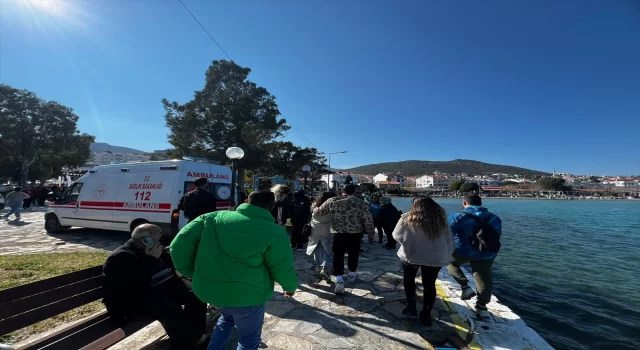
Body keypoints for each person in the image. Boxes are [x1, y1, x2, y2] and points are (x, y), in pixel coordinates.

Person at [170, 190, 298, 350]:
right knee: (249, 341)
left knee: (227, 318)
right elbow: (281, 265)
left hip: (213, 291)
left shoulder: (211, 218)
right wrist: (290, 286)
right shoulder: (275, 231)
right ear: (271, 207)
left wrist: (192, 273)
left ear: (246, 201)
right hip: (249, 296)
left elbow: (177, 247)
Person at [102, 224, 208, 349]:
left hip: (154, 295)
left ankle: (191, 338)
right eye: (158, 234)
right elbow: (134, 285)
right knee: (167, 305)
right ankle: (199, 340)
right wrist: (153, 259)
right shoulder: (120, 257)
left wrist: (166, 255)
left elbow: (166, 272)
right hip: (128, 303)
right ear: (145, 239)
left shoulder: (150, 250)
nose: (161, 237)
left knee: (197, 297)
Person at [393, 197, 454, 326]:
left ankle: (411, 307)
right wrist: (448, 253)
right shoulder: (441, 220)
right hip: (435, 257)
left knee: (409, 280)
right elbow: (449, 239)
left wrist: (407, 243)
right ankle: (426, 313)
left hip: (412, 255)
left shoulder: (407, 218)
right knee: (429, 284)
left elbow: (396, 235)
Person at [446, 194, 502, 319]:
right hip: (487, 253)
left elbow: (447, 236)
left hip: (463, 252)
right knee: (484, 277)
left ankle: (465, 287)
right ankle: (482, 307)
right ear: (480, 204)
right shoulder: (495, 218)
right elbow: (497, 236)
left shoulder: (457, 217)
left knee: (448, 262)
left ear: (464, 203)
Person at [316, 184, 375, 294]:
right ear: (354, 191)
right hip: (356, 234)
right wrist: (371, 233)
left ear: (342, 190)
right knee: (354, 253)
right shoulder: (361, 203)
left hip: (338, 233)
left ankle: (339, 280)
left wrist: (314, 208)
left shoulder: (332, 201)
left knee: (338, 256)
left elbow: (319, 212)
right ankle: (351, 274)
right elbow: (368, 220)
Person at [307, 191, 336, 279]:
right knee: (326, 248)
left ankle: (319, 265)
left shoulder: (315, 205)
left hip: (315, 229)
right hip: (326, 229)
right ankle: (325, 267)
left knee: (316, 247)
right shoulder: (332, 206)